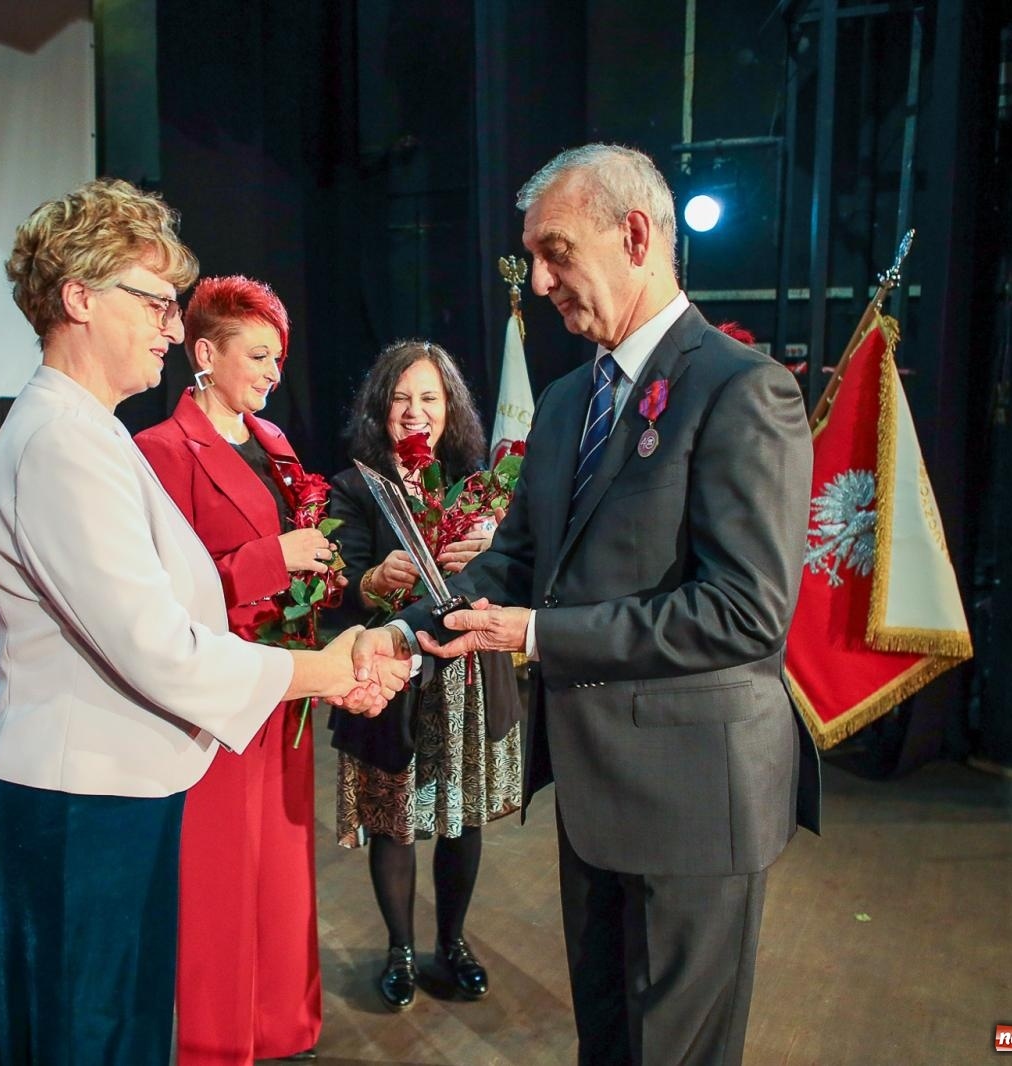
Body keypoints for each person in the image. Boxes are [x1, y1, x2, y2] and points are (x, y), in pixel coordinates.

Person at [358, 145, 822, 1065]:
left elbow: (744, 612)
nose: (538, 281)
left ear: (637, 236)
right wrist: (403, 635)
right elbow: (520, 564)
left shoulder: (740, 389)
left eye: (556, 252)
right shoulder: (571, 400)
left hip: (697, 799)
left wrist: (537, 635)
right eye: (533, 257)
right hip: (594, 795)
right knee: (607, 1042)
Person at [0, 179, 404, 1066]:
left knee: (113, 1030)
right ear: (79, 298)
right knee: (86, 1036)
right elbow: (157, 647)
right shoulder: (63, 442)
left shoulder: (86, 431)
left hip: (105, 788)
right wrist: (321, 672)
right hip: (79, 800)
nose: (174, 330)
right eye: (156, 304)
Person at [134, 275, 326, 1064]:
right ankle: (219, 1042)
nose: (272, 372)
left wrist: (324, 574)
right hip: (216, 695)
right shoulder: (160, 451)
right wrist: (269, 559)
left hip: (286, 687)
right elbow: (162, 593)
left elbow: (299, 548)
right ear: (203, 353)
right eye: (258, 355)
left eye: (277, 358)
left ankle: (285, 1026)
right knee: (220, 878)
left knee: (283, 870)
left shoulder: (275, 442)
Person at [326, 340, 524, 1012]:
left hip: (466, 673)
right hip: (391, 680)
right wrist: (369, 580)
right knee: (394, 821)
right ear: (382, 410)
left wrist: (493, 545)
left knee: (461, 820)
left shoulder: (478, 484)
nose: (416, 412)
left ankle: (454, 942)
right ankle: (400, 951)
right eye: (402, 398)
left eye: (430, 398)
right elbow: (338, 586)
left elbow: (511, 574)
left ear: (450, 410)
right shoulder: (355, 487)